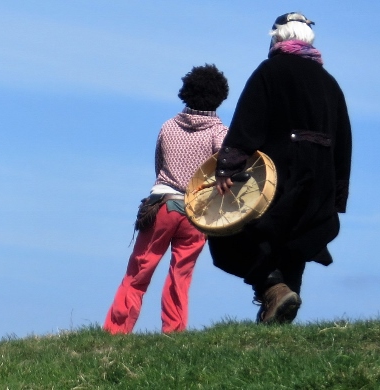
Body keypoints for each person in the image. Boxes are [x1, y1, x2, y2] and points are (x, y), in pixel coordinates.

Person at [211, 12, 352, 324]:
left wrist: (227, 169)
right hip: (320, 182)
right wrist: (337, 195)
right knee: (296, 243)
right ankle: (280, 313)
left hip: (280, 174)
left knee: (227, 233)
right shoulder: (330, 84)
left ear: (276, 37)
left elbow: (249, 122)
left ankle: (273, 289)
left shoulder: (270, 71)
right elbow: (344, 141)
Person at [104, 65, 229, 334]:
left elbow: (159, 166)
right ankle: (174, 331)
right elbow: (227, 166)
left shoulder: (168, 126)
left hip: (161, 205)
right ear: (220, 96)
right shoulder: (220, 132)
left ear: (186, 92)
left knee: (138, 272)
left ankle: (116, 330)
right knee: (180, 276)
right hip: (196, 213)